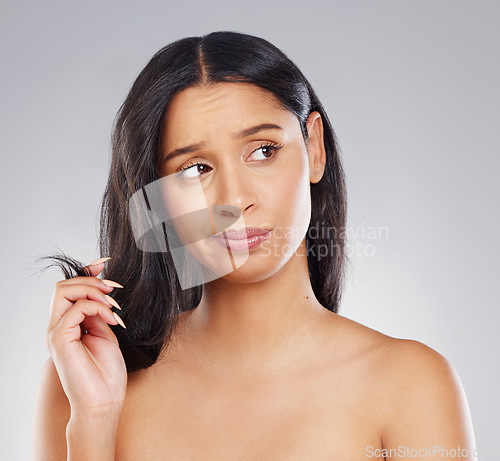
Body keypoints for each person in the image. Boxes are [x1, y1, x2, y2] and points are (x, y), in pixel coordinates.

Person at [32, 31, 477, 460]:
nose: (234, 200)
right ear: (157, 198)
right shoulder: (84, 379)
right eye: (195, 169)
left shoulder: (411, 386)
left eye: (263, 150)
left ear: (314, 148)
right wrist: (94, 421)